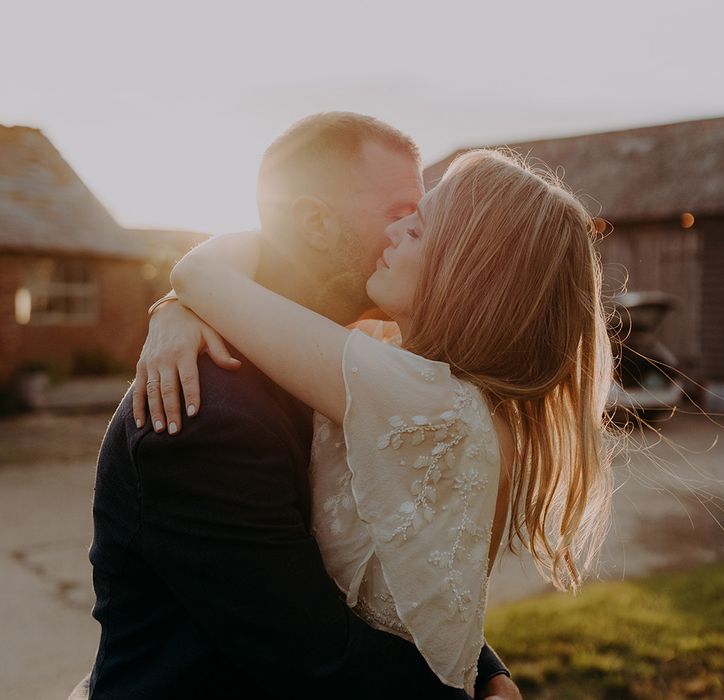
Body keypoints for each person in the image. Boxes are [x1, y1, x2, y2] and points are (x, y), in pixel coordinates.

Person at [134, 131, 617, 693]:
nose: (393, 231)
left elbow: (200, 276)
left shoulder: (423, 398)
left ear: (464, 273)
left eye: (415, 227)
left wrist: (183, 300)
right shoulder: (446, 389)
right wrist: (177, 311)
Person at [78, 113, 520, 700]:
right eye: (401, 213)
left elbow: (390, 562)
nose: (412, 232)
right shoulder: (209, 411)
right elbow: (324, 667)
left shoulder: (358, 373)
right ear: (314, 221)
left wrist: (487, 668)